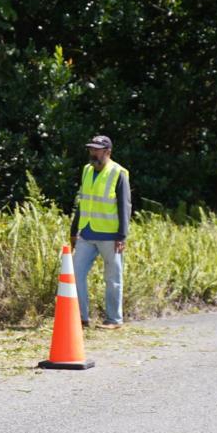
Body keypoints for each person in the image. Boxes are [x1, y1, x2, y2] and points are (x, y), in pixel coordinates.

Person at [69, 135, 131, 329]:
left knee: (112, 278)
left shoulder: (118, 173)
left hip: (110, 235)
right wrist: (74, 229)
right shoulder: (87, 170)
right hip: (86, 233)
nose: (93, 153)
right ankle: (81, 318)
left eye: (97, 150)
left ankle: (114, 320)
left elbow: (124, 206)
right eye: (91, 149)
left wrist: (122, 235)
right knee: (75, 274)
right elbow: (83, 201)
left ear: (107, 152)